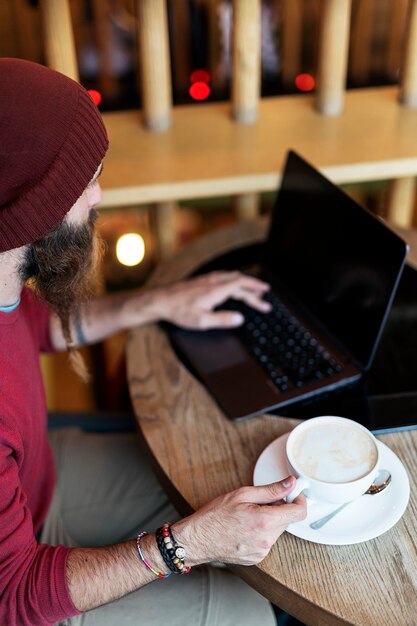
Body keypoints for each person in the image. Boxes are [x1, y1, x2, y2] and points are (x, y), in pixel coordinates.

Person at [0, 58, 306, 626]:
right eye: (81, 183)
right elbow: (12, 594)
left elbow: (31, 325)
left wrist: (157, 302)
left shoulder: (5, 279)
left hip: (40, 486)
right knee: (248, 612)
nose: (98, 196)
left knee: (227, 484)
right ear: (29, 209)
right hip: (22, 584)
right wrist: (182, 546)